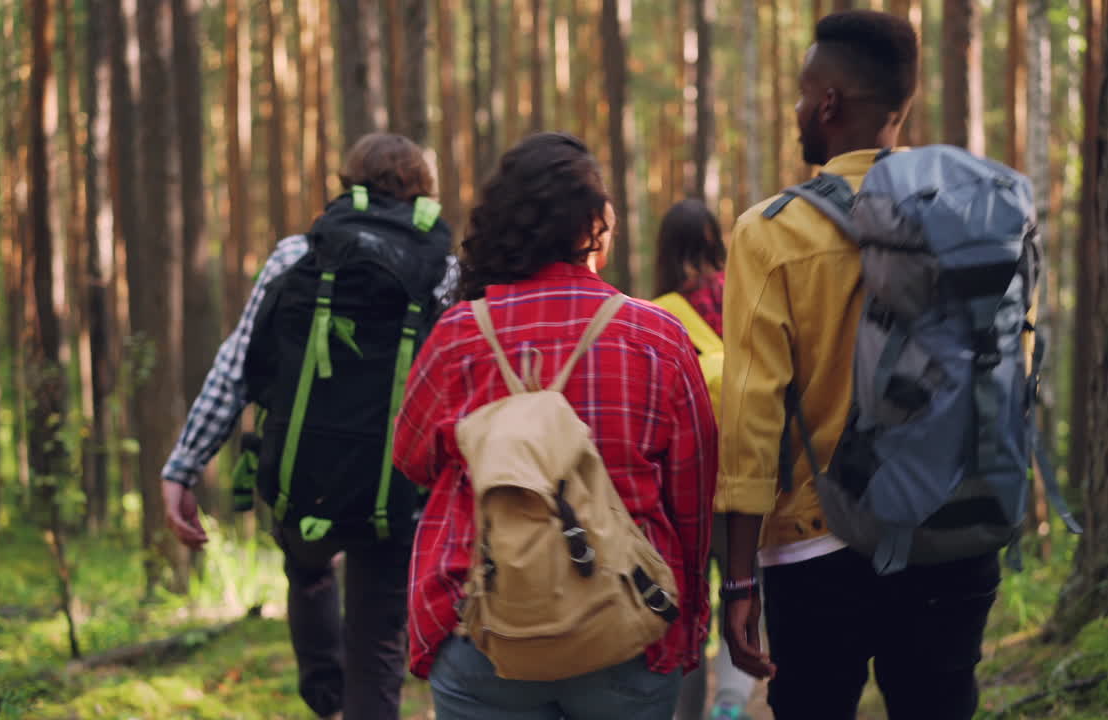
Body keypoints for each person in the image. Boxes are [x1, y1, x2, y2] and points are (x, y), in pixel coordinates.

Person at [717, 11, 1001, 720]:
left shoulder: (771, 234)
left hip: (817, 547)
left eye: (800, 94)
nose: (795, 109)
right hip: (950, 533)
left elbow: (751, 419)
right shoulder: (970, 217)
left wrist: (738, 579)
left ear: (828, 103)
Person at [392, 132, 717, 720]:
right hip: (627, 623)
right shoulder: (659, 338)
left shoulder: (459, 335)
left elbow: (412, 459)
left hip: (483, 624)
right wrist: (689, 619)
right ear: (594, 225)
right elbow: (692, 500)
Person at [161, 133, 455, 720]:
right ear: (423, 191)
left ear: (348, 184)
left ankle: (325, 697)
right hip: (396, 493)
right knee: (378, 644)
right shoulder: (444, 272)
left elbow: (236, 367)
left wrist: (183, 467)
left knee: (309, 569)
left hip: (304, 480)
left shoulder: (297, 255)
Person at [650, 200, 756, 720]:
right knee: (744, 592)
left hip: (686, 488)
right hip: (748, 479)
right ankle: (731, 705)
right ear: (716, 239)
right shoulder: (743, 293)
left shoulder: (657, 312)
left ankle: (686, 713)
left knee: (687, 606)